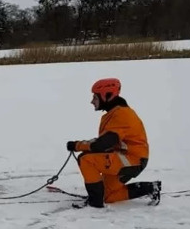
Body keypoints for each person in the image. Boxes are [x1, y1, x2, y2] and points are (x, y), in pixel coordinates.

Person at [66, 78, 161, 208]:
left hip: (131, 160)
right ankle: (150, 188)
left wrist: (77, 145)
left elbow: (102, 144)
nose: (92, 101)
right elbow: (104, 143)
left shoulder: (121, 115)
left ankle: (95, 203)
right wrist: (82, 146)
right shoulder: (115, 113)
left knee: (86, 159)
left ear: (107, 95)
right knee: (108, 196)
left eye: (95, 97)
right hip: (127, 158)